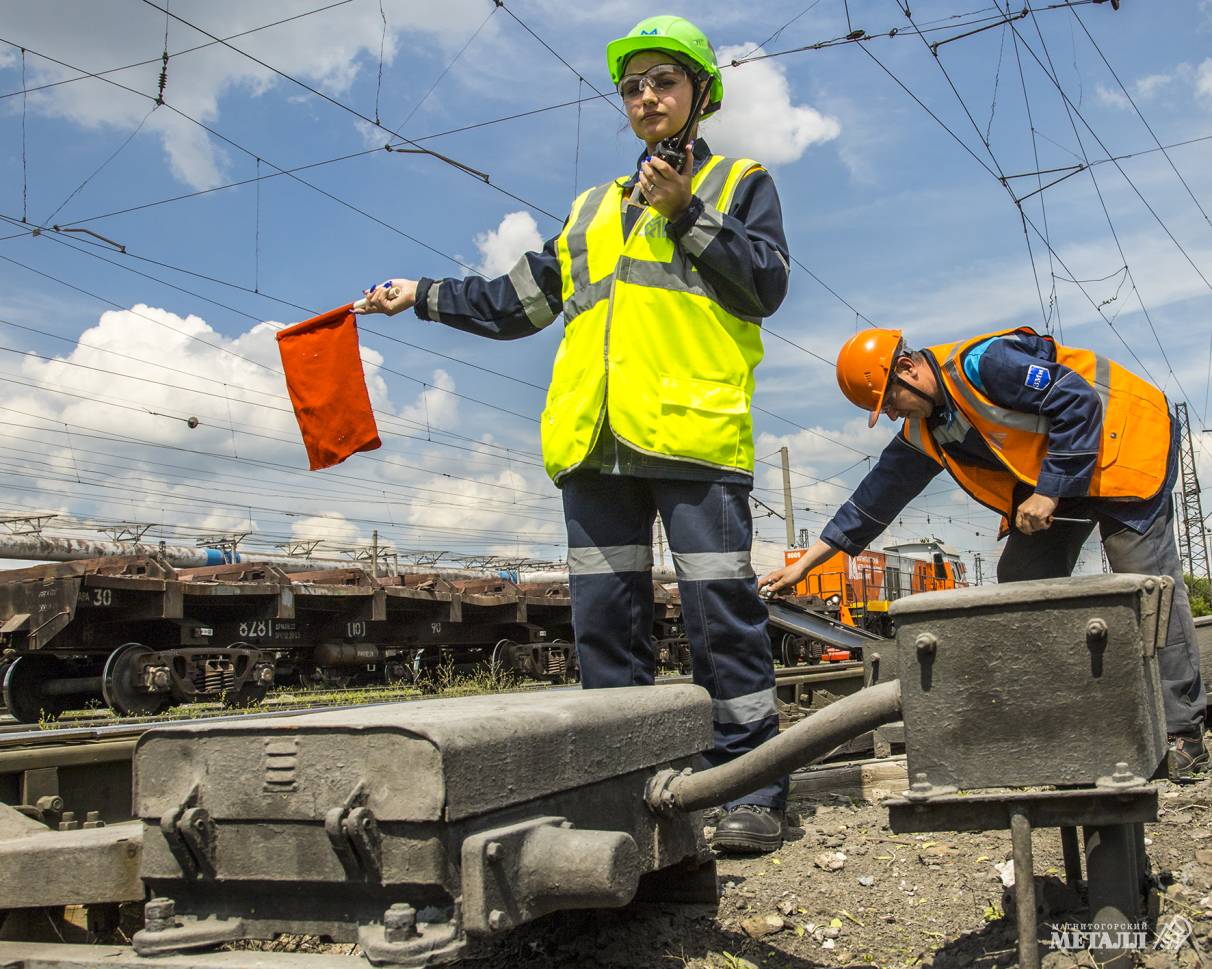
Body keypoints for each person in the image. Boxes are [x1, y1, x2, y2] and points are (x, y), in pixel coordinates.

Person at [357, 16, 792, 849]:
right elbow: (514, 303)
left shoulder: (741, 182)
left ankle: (752, 787)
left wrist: (691, 214)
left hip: (693, 439)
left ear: (701, 94)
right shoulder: (591, 208)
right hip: (594, 445)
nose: (645, 97)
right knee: (605, 626)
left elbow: (765, 285)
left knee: (720, 616)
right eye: (632, 87)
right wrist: (418, 293)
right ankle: (626, 788)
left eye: (663, 81)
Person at [760, 326, 1209, 778]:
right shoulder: (926, 429)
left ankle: (1183, 730)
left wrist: (1049, 494)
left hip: (1124, 444)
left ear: (907, 369)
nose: (893, 414)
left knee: (1148, 586)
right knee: (1022, 578)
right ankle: (1075, 722)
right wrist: (804, 565)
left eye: (890, 401)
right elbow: (873, 499)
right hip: (1064, 472)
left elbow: (1077, 400)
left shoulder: (984, 365)